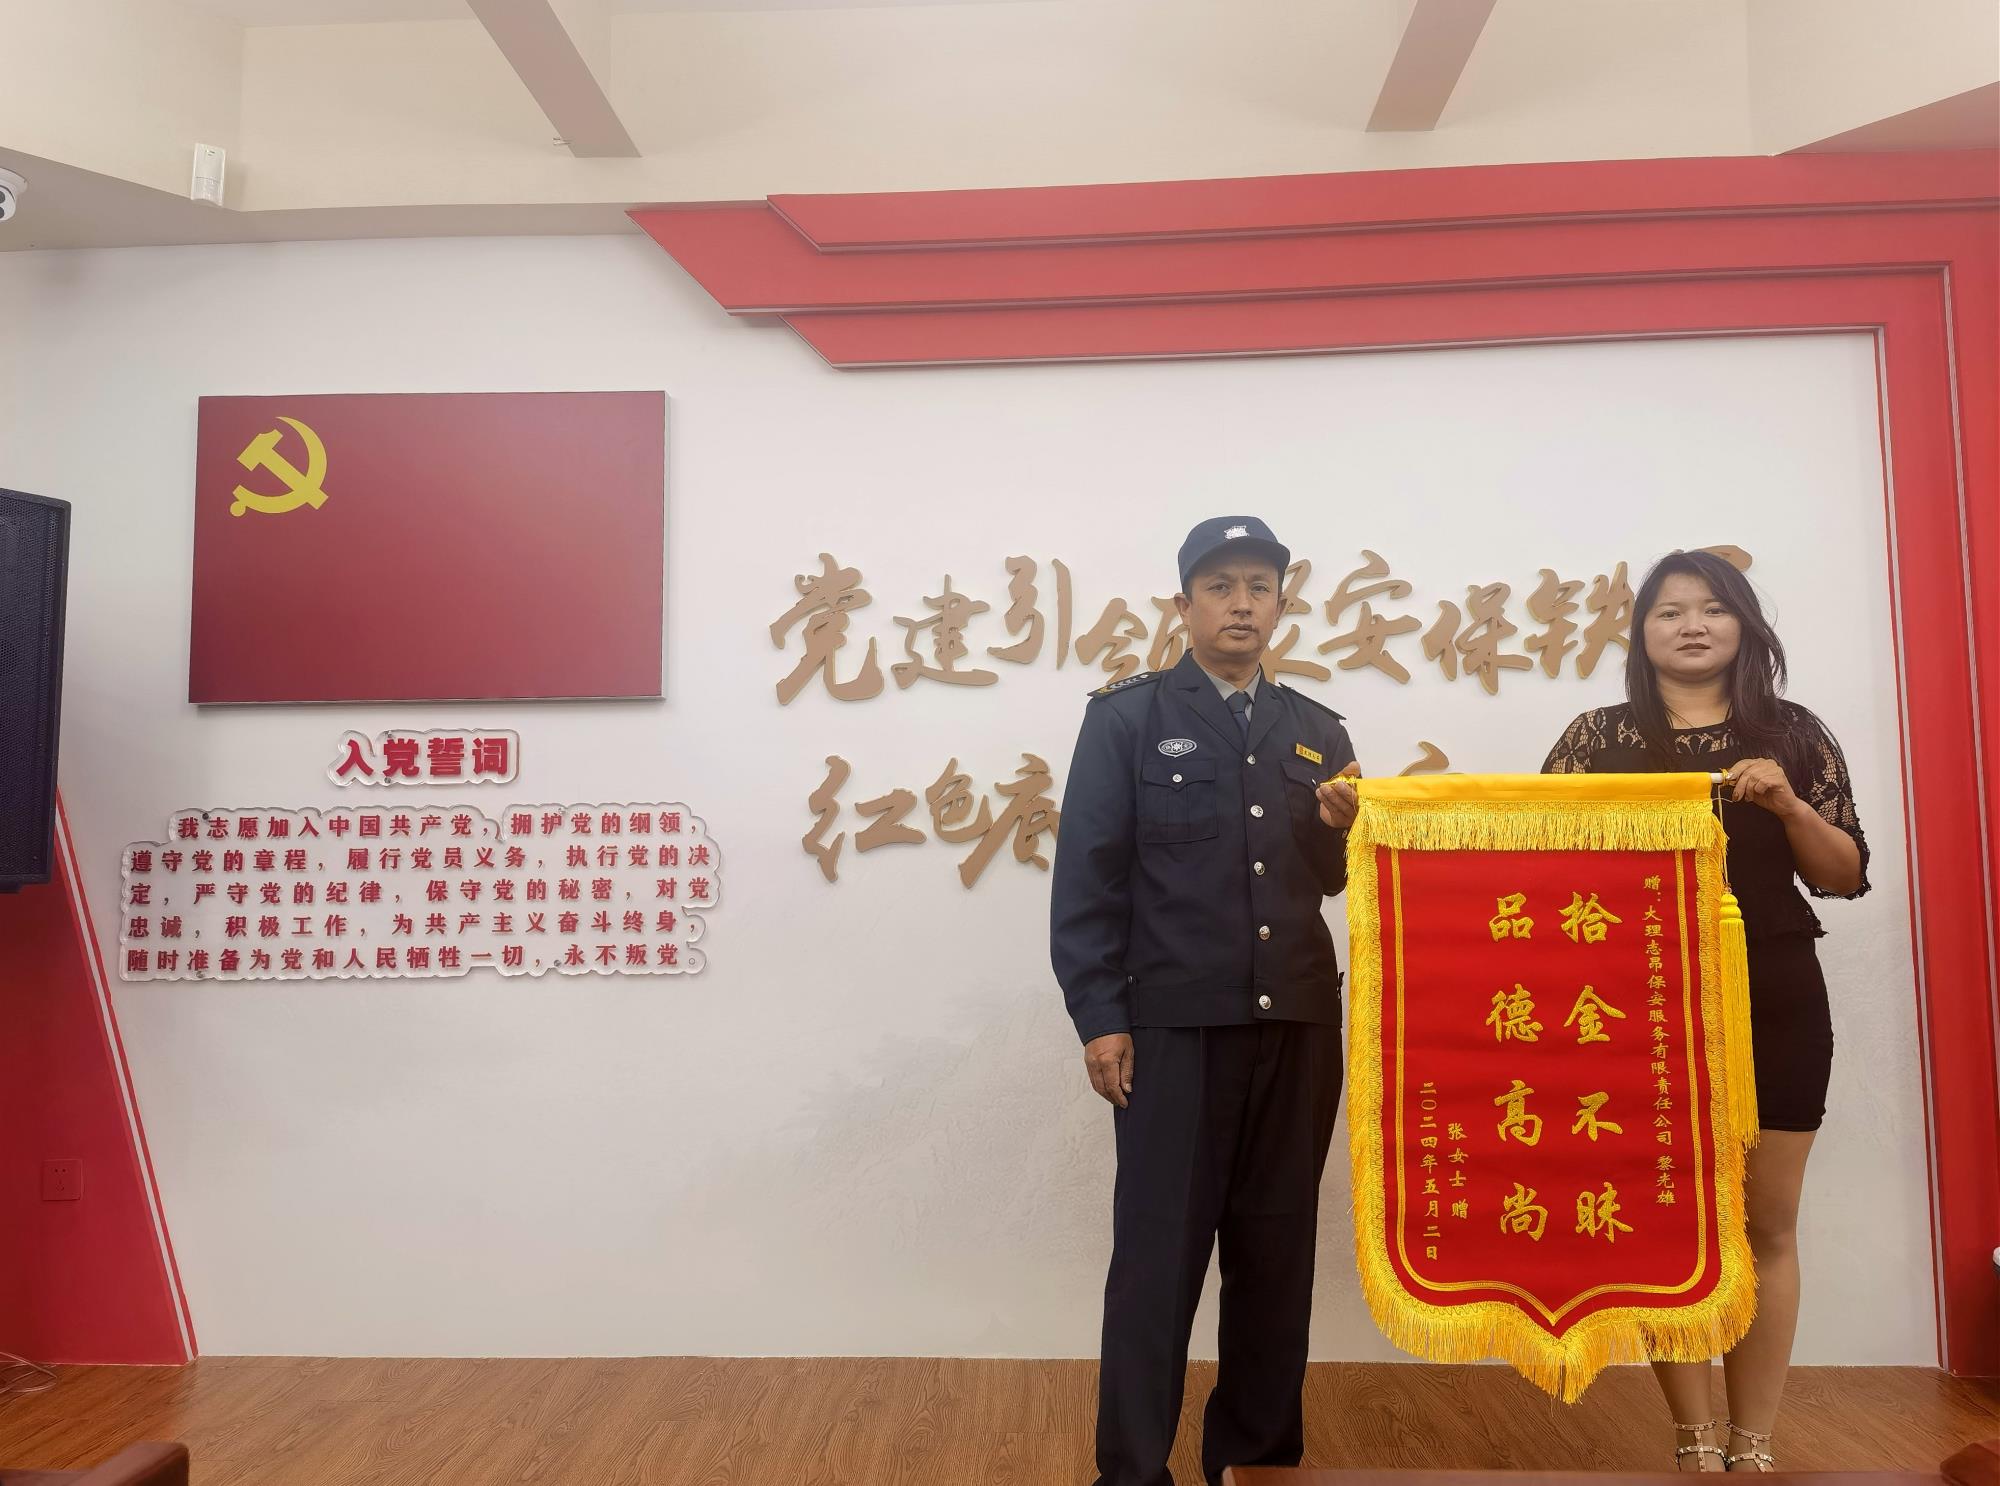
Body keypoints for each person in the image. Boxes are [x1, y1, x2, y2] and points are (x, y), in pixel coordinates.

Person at [1541, 550, 1868, 1474]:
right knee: (1671, 1220)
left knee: (1767, 1225)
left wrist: (1789, 805)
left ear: (1745, 627)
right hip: (1636, 1003)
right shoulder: (1597, 739)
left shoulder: (1793, 734)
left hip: (1774, 995)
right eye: (1669, 611)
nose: (1692, 625)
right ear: (1641, 633)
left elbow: (1844, 874)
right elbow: (1533, 856)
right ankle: (1692, 1439)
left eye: (1713, 608)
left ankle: (1753, 1441)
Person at [1052, 516, 1361, 1486]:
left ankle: (1257, 1463)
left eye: (1258, 587)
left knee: (1275, 1258)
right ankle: (1132, 1472)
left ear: (1281, 604)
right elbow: (1088, 880)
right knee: (1157, 1260)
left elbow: (1333, 881)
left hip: (1296, 1026)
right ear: (1182, 604)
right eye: (1220, 586)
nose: (1240, 604)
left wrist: (1338, 830)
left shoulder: (1318, 731)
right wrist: (1101, 1017)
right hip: (1174, 1030)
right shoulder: (1127, 719)